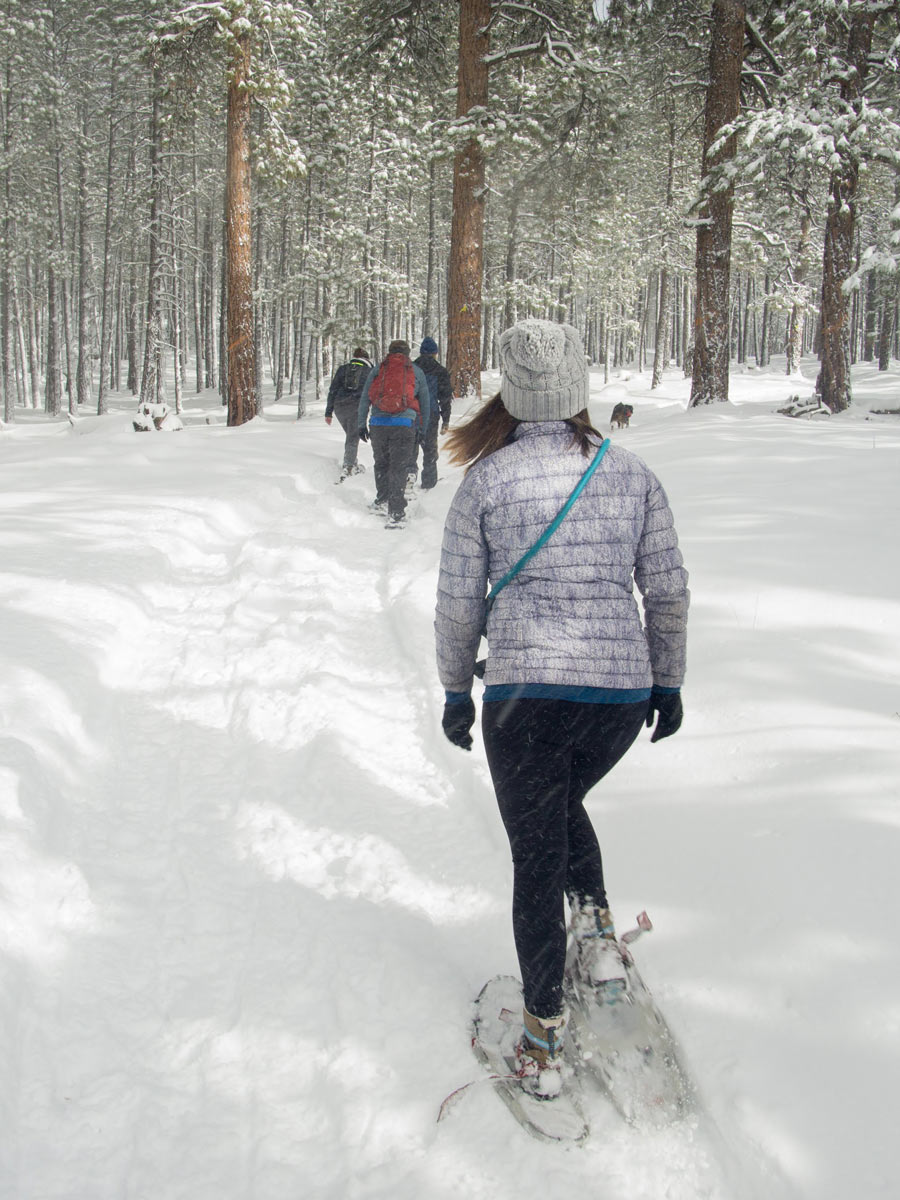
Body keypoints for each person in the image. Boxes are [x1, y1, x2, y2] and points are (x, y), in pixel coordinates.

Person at [434, 318, 688, 1101]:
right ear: (577, 387)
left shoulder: (486, 481)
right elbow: (669, 588)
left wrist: (454, 691)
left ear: (511, 392)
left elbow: (456, 605)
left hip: (525, 700)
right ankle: (602, 946)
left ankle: (544, 1035)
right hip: (618, 697)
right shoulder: (633, 474)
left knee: (536, 856)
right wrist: (668, 680)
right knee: (560, 807)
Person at [357, 340, 430, 529]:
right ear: (407, 354)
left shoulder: (378, 370)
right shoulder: (415, 371)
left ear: (389, 352)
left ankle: (381, 501)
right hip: (404, 424)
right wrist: (423, 428)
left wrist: (361, 424)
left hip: (378, 424)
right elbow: (426, 403)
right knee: (399, 467)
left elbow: (365, 397)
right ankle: (396, 513)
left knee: (381, 463)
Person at [409, 337, 453, 490]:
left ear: (421, 352)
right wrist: (446, 420)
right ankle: (429, 483)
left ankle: (409, 475)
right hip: (431, 415)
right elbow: (445, 398)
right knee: (429, 449)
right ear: (435, 353)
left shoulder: (411, 368)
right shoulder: (440, 371)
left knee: (411, 447)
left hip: (411, 414)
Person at [325, 347, 373, 480]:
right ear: (366, 358)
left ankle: (352, 462)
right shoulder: (369, 371)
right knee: (353, 436)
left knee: (352, 434)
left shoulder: (343, 369)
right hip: (356, 406)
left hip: (339, 407)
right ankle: (348, 468)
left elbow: (333, 390)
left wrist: (328, 412)